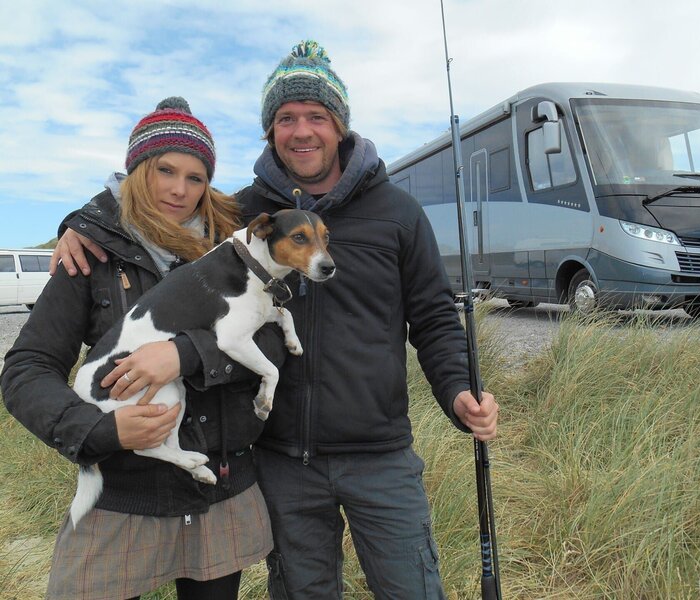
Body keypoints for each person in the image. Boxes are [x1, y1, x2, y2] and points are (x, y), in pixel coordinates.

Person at [50, 40, 499, 599]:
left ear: (339, 126)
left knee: (413, 589)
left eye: (316, 116)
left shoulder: (398, 214)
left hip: (379, 455)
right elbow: (158, 211)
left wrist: (458, 391)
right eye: (286, 118)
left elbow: (433, 317)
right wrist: (80, 225)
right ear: (270, 131)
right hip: (281, 460)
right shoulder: (240, 214)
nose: (301, 131)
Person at [1, 97, 275, 600]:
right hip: (124, 496)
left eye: (196, 177)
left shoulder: (237, 252)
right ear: (135, 172)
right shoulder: (91, 252)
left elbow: (272, 339)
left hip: (219, 488)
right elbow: (26, 369)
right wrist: (99, 430)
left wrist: (188, 354)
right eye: (164, 170)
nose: (179, 189)